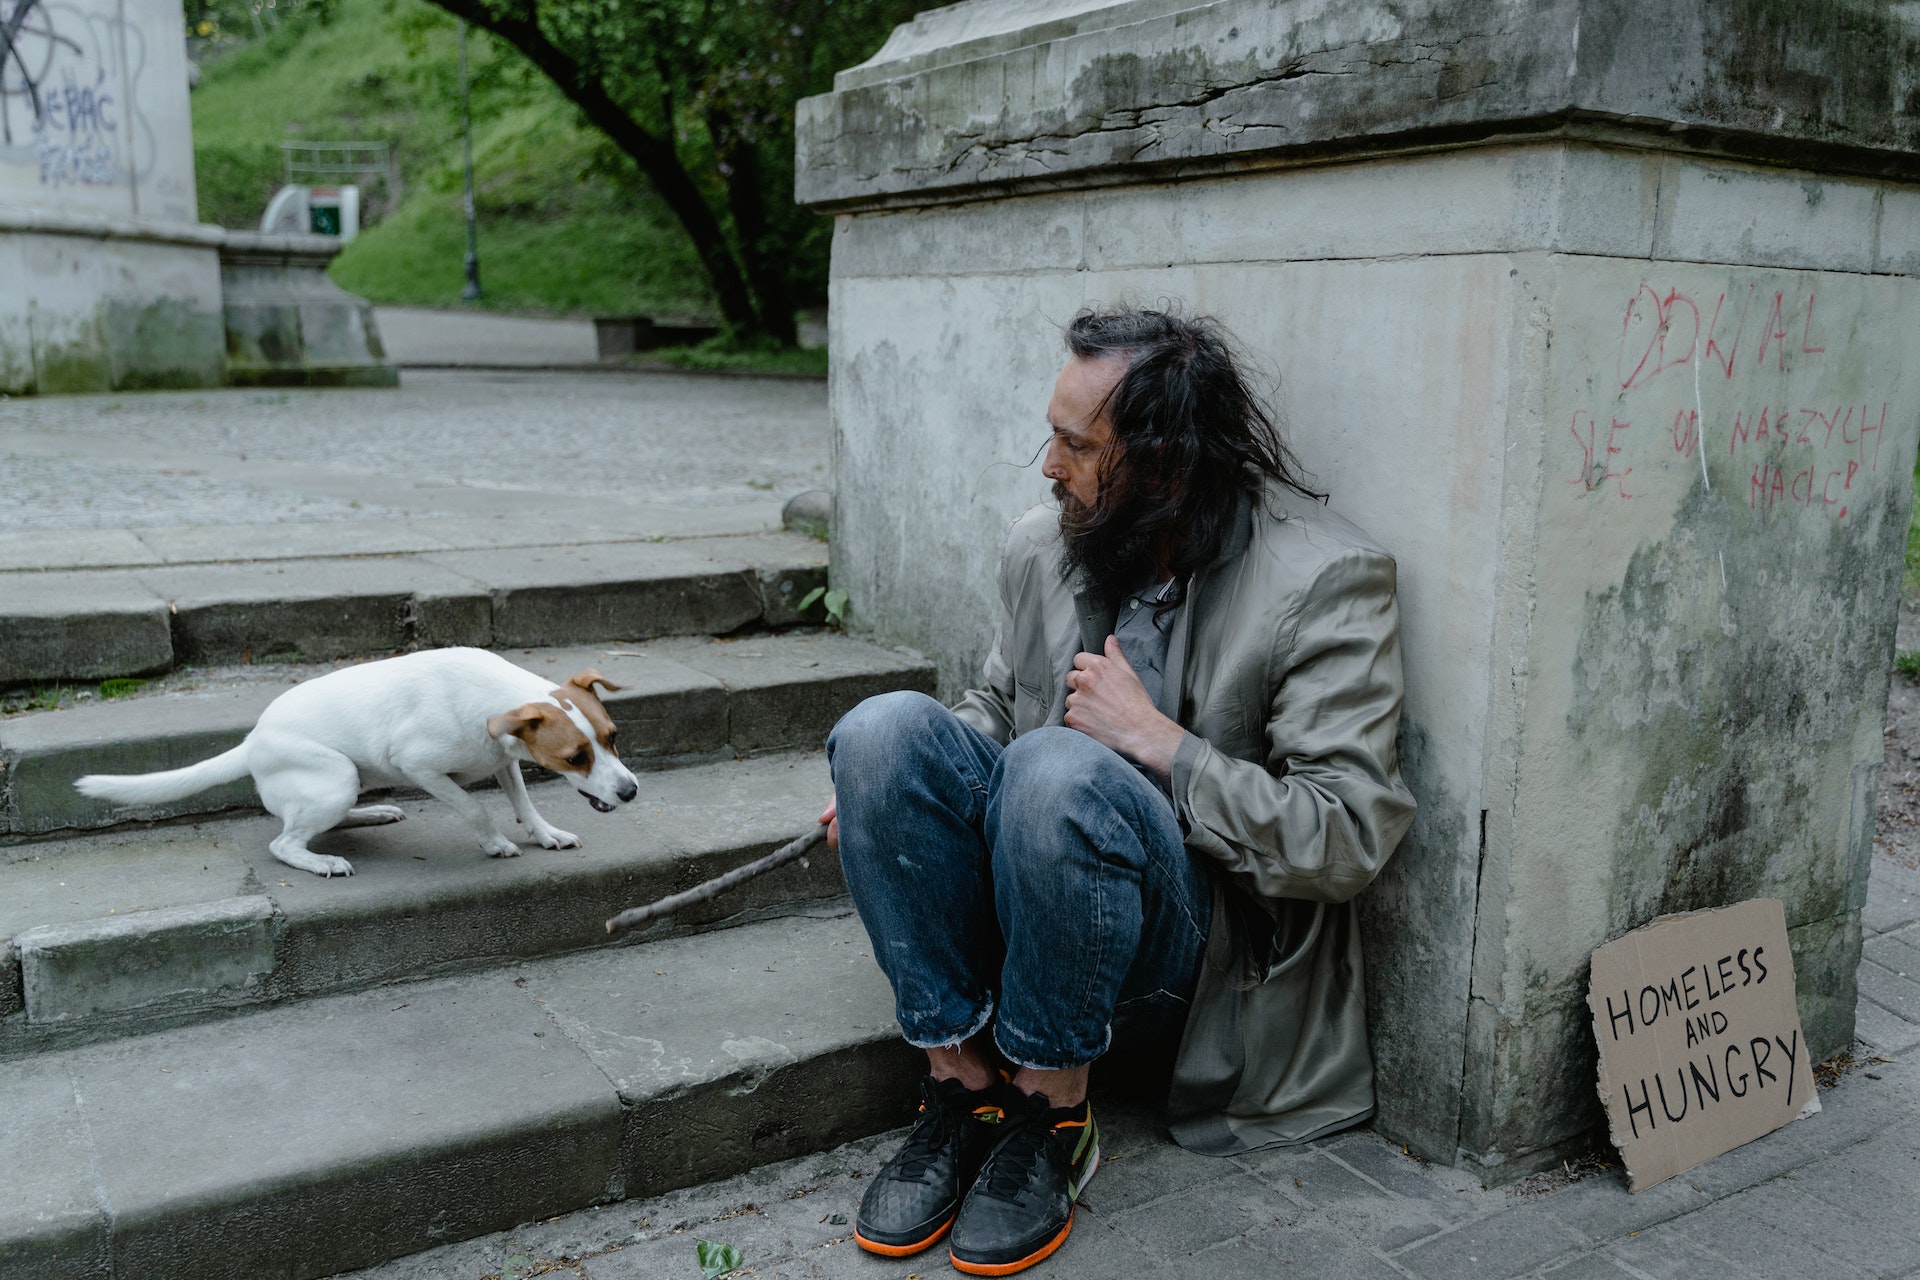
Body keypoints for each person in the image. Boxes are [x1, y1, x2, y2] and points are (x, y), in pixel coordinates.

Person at [818, 304, 1416, 1276]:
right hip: (1032, 912)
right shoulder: (1047, 542)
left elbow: (1345, 837)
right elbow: (995, 707)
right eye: (1052, 436)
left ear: (1166, 463)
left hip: (1189, 961)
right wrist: (888, 798)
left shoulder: (1323, 580)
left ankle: (1052, 1111)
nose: (1049, 467)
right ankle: (962, 1084)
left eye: (1078, 445)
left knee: (1057, 767)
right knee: (882, 731)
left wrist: (1163, 745)